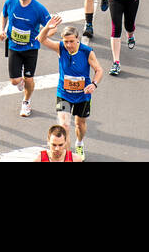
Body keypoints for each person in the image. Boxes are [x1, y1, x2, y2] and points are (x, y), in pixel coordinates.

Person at [36, 18, 103, 159]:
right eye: (66, 41)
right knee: (64, 126)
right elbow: (41, 39)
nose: (68, 45)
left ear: (77, 39)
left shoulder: (86, 52)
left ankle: (79, 143)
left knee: (80, 124)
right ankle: (65, 157)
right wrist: (48, 27)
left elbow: (99, 70)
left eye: (71, 41)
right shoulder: (60, 48)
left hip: (82, 96)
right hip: (64, 94)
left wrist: (94, 84)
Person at [0, 0, 52, 118]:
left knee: (29, 79)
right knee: (14, 81)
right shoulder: (10, 3)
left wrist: (43, 34)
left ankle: (26, 101)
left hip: (31, 49)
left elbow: (52, 27)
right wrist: (2, 30)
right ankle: (22, 82)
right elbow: (3, 15)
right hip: (13, 46)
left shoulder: (38, 9)